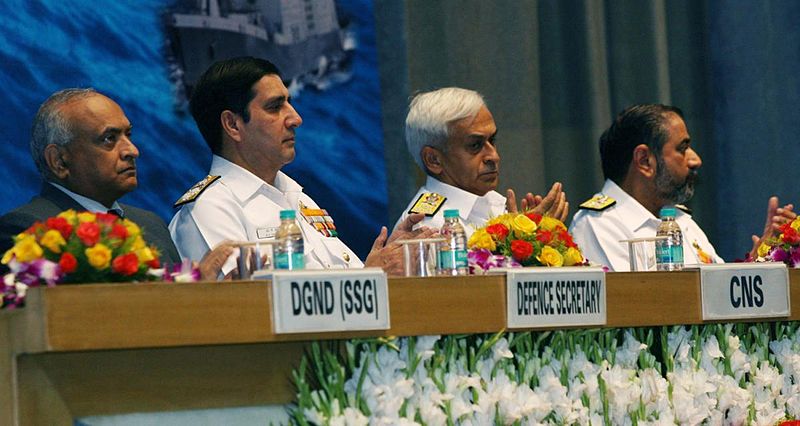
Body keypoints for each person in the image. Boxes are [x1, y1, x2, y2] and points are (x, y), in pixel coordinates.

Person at [170, 57, 427, 276]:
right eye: (275, 107)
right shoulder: (210, 209)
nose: (295, 118)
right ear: (233, 125)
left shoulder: (298, 198)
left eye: (289, 103)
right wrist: (375, 275)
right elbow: (245, 312)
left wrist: (389, 261)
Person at [0, 88, 232, 280]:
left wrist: (197, 289)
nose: (132, 151)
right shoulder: (27, 230)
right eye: (109, 139)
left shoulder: (150, 224)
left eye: (128, 135)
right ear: (60, 161)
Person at [569, 104, 795, 271]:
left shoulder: (680, 220)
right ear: (645, 161)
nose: (696, 160)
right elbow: (632, 317)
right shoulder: (597, 225)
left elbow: (717, 301)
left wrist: (760, 261)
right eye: (683, 148)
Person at [397, 87, 568, 236]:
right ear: (433, 159)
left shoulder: (492, 203)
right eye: (475, 145)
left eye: (492, 140)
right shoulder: (425, 229)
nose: (494, 156)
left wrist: (536, 240)